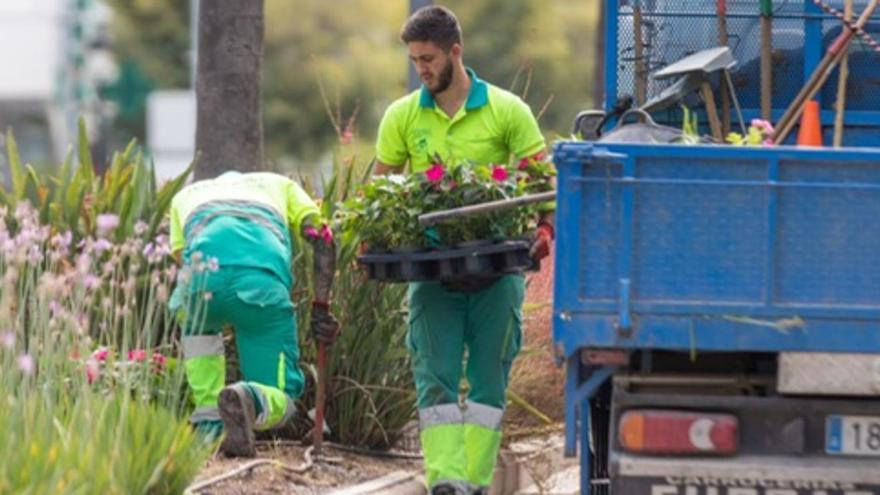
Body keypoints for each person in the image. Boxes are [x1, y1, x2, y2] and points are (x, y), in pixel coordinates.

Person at [374, 6, 554, 494]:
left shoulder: (506, 110)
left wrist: (543, 230)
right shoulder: (402, 116)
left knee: (488, 384)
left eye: (428, 58)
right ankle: (446, 482)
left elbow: (543, 181)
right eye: (414, 60)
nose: (422, 69)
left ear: (456, 51)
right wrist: (372, 241)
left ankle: (473, 483)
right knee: (434, 381)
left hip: (497, 271)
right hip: (432, 276)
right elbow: (380, 192)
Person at [168, 170, 339, 457]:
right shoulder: (281, 184)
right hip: (260, 285)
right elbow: (322, 237)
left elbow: (183, 258)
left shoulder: (185, 195)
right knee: (283, 397)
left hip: (201, 284)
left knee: (196, 320)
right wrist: (320, 309)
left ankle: (210, 424)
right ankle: (252, 399)